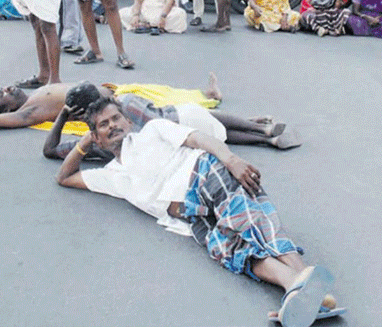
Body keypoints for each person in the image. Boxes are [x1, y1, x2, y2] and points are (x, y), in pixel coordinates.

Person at [56, 98, 343, 327]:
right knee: (232, 253)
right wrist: (83, 143)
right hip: (190, 218)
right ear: (97, 137)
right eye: (104, 125)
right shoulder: (111, 176)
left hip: (205, 174)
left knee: (254, 226)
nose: (113, 125)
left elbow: (199, 140)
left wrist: (231, 160)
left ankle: (298, 285)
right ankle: (304, 289)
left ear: (128, 121)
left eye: (116, 118)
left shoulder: (154, 131)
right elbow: (65, 177)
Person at [43, 82, 302, 160]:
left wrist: (63, 115)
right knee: (202, 119)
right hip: (182, 118)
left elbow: (50, 150)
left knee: (215, 135)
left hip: (173, 145)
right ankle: (262, 129)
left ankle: (267, 138)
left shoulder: (99, 138)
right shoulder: (126, 99)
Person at [0, 76, 222, 137]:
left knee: (167, 92)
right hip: (112, 102)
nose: (7, 87)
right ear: (7, 108)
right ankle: (224, 111)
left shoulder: (26, 95)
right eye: (4, 93)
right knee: (173, 110)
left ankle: (208, 98)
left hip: (116, 89)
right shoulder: (27, 112)